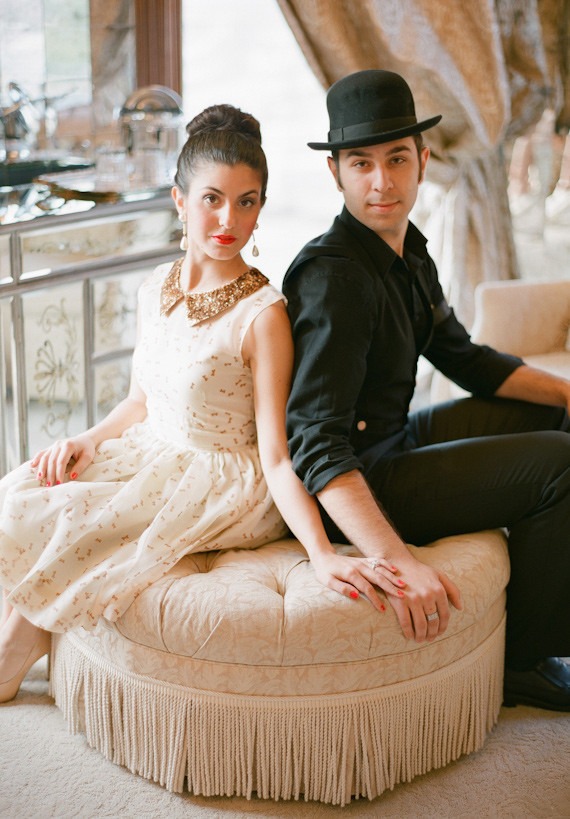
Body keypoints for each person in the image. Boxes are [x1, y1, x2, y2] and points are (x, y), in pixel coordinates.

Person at [0, 104, 405, 704]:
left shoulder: (262, 316)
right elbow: (139, 400)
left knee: (75, 517)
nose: (228, 220)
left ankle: (9, 659)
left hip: (225, 480)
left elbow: (277, 455)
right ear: (180, 199)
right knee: (20, 493)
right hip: (153, 448)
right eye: (212, 199)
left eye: (247, 202)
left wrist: (321, 554)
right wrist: (87, 439)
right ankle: (12, 645)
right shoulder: (154, 287)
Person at [283, 70, 570, 711]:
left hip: (396, 439)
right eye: (361, 164)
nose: (381, 183)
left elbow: (466, 359)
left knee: (558, 418)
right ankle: (524, 661)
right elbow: (317, 442)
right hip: (360, 481)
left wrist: (566, 393)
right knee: (562, 465)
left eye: (396, 160)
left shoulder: (409, 250)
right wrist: (399, 561)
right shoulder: (334, 278)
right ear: (336, 173)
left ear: (423, 160)